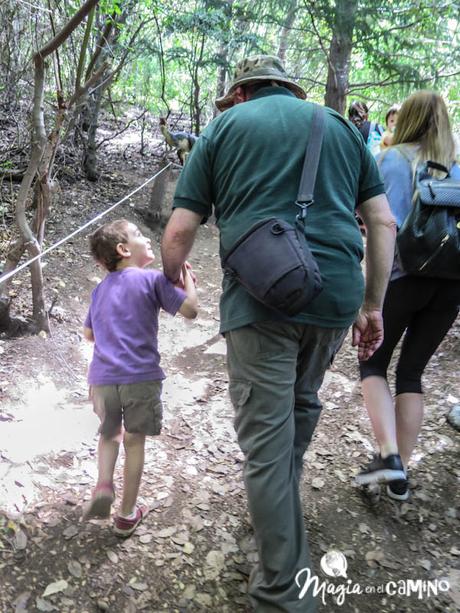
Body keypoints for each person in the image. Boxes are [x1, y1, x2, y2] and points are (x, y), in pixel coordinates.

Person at [161, 54, 396, 612]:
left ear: (242, 92)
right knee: (301, 402)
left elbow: (178, 230)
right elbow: (383, 222)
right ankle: (279, 513)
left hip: (259, 297)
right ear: (289, 89)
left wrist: (170, 286)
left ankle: (285, 593)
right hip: (335, 295)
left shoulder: (224, 128)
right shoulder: (339, 127)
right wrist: (372, 304)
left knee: (265, 441)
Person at [355, 91, 460, 501]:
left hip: (402, 276)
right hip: (451, 282)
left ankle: (389, 456)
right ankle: (398, 478)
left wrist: (369, 297)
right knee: (411, 373)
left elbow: (380, 225)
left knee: (373, 363)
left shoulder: (392, 159)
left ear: (408, 119)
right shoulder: (456, 166)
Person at [82, 219, 198, 537]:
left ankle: (104, 483)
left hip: (102, 379)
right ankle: (126, 515)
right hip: (140, 378)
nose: (146, 238)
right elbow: (191, 310)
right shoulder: (153, 280)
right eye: (138, 234)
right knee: (134, 442)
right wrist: (188, 280)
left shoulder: (99, 290)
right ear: (123, 249)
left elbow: (89, 333)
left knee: (109, 434)